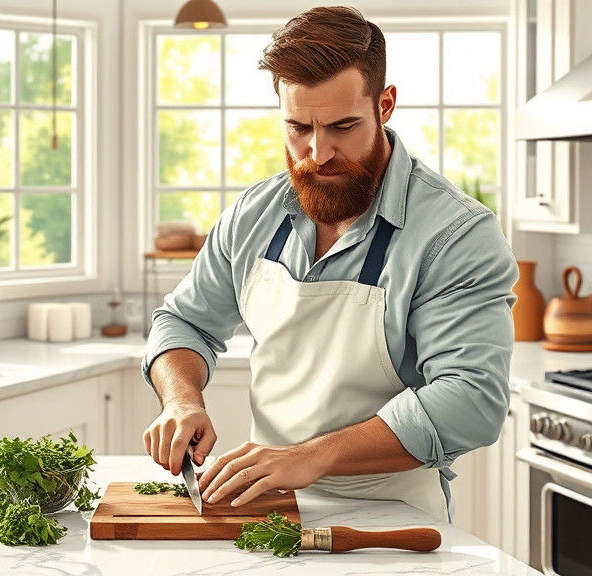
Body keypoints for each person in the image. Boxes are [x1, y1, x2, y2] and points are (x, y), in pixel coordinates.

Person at [140, 6, 517, 522]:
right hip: (268, 510)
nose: (318, 153)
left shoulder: (456, 234)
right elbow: (184, 321)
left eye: (342, 127)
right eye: (298, 128)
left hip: (392, 519)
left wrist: (309, 457)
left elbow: (471, 400)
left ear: (385, 105)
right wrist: (181, 399)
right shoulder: (255, 213)